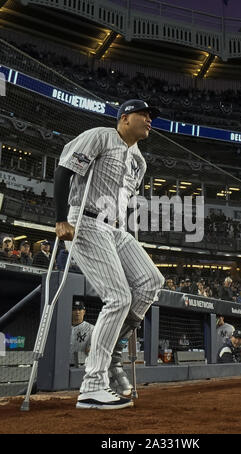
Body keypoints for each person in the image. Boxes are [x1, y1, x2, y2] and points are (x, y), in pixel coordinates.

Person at [54, 99, 164, 410]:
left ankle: (111, 347)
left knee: (151, 281)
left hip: (114, 228)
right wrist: (61, 219)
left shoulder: (139, 161)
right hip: (83, 221)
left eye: (150, 116)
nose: (149, 120)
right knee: (119, 297)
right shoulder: (100, 136)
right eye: (143, 114)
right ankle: (92, 386)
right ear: (125, 118)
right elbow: (63, 171)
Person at [70, 301, 94, 366]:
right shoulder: (65, 327)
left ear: (84, 312)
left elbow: (91, 350)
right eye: (74, 309)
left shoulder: (91, 328)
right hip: (65, 363)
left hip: (82, 365)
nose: (77, 312)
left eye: (80, 309)